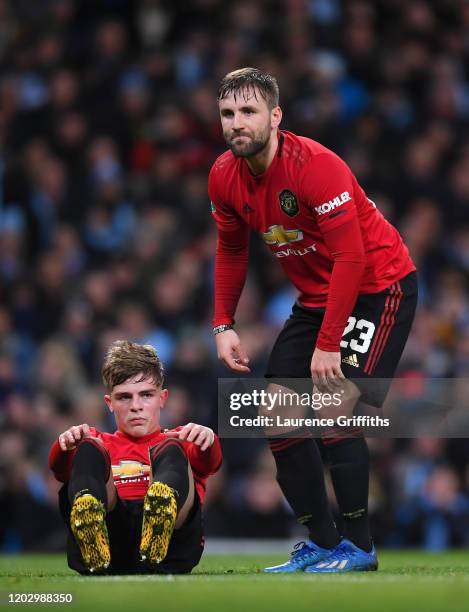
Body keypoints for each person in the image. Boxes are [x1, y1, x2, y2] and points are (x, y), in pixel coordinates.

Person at [209, 67, 417, 573]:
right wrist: (223, 323)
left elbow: (352, 259)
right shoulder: (223, 176)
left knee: (333, 404)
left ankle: (360, 547)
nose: (237, 123)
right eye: (228, 114)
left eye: (249, 112)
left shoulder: (316, 166)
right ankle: (324, 544)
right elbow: (232, 248)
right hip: (318, 299)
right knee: (275, 414)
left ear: (275, 117)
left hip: (377, 287)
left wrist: (328, 344)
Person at [48, 340, 222, 575]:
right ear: (110, 403)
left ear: (163, 398)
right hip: (109, 540)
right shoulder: (98, 443)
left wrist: (208, 438)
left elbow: (210, 462)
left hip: (169, 547)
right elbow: (60, 470)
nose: (136, 406)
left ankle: (160, 512)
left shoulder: (182, 438)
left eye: (146, 395)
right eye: (124, 397)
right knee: (89, 446)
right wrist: (64, 445)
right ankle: (90, 518)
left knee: (171, 446)